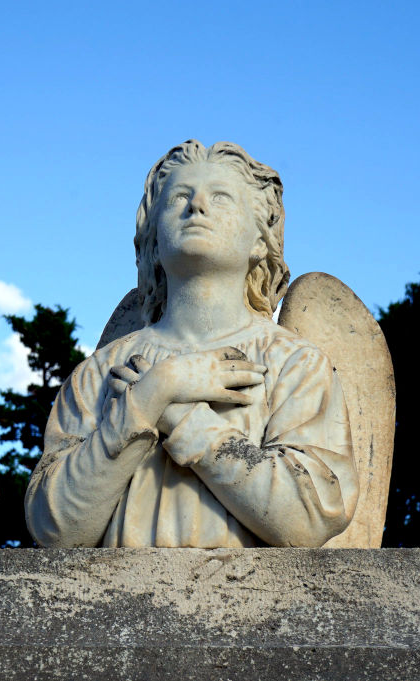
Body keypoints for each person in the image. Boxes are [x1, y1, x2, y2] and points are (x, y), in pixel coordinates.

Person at [25, 140, 358, 548]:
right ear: (153, 240)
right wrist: (153, 393)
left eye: (220, 197)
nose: (196, 206)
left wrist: (180, 416)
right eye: (180, 196)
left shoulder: (294, 364)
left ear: (259, 240)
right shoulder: (100, 371)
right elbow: (55, 528)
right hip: (116, 609)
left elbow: (307, 517)